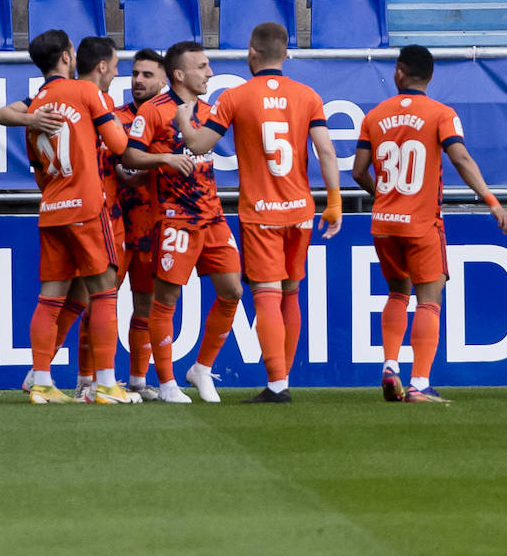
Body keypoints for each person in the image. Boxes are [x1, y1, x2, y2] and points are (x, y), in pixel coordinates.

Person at [174, 22, 342, 403]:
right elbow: (327, 152)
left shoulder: (235, 96)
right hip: (300, 210)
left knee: (266, 294)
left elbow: (199, 145)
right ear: (285, 55)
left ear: (251, 52)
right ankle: (284, 379)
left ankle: (277, 385)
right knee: (291, 294)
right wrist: (334, 202)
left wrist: (184, 119)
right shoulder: (308, 95)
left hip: (261, 212)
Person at [351, 45, 507, 403]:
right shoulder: (441, 113)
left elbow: (358, 171)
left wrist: (384, 196)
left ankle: (390, 365)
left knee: (396, 292)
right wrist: (492, 201)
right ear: (430, 75)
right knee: (429, 299)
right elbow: (461, 158)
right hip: (422, 223)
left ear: (398, 72)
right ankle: (420, 383)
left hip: (384, 222)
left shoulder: (374, 115)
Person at [10, 29, 133, 404]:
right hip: (86, 206)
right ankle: (108, 385)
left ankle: (43, 382)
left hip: (51, 208)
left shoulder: (34, 109)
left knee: (50, 297)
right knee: (104, 292)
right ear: (67, 56)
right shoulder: (86, 92)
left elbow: (36, 166)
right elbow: (120, 147)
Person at [122, 42, 243, 404]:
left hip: (213, 216)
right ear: (179, 75)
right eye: (202, 66)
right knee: (166, 298)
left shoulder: (210, 111)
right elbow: (130, 154)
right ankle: (167, 383)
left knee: (232, 291)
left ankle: (201, 368)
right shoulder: (154, 110)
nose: (209, 72)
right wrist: (166, 159)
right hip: (175, 217)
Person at [113, 48, 166, 399]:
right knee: (99, 300)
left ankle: (137, 381)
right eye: (135, 74)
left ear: (165, 79)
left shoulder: (169, 119)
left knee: (144, 305)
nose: (138, 80)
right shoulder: (113, 119)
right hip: (116, 224)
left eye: (147, 75)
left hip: (150, 227)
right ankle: (89, 379)